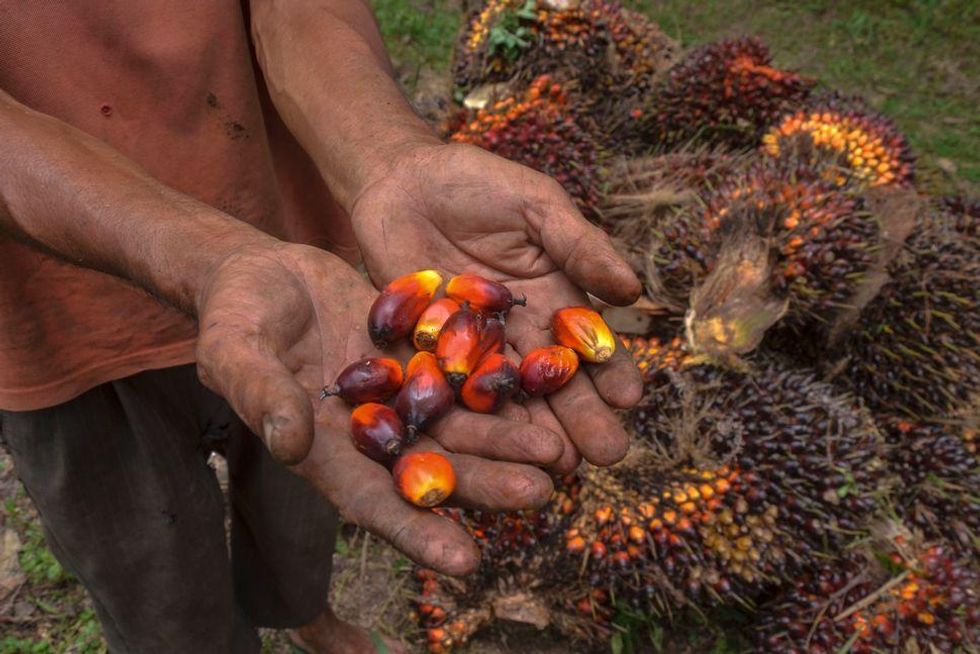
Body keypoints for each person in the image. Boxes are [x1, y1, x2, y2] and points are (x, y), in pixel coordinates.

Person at [0, 2, 643, 652]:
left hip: (293, 274)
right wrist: (205, 256)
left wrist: (390, 156)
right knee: (154, 577)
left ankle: (306, 614)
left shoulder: (386, 347)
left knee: (300, 494)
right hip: (57, 319)